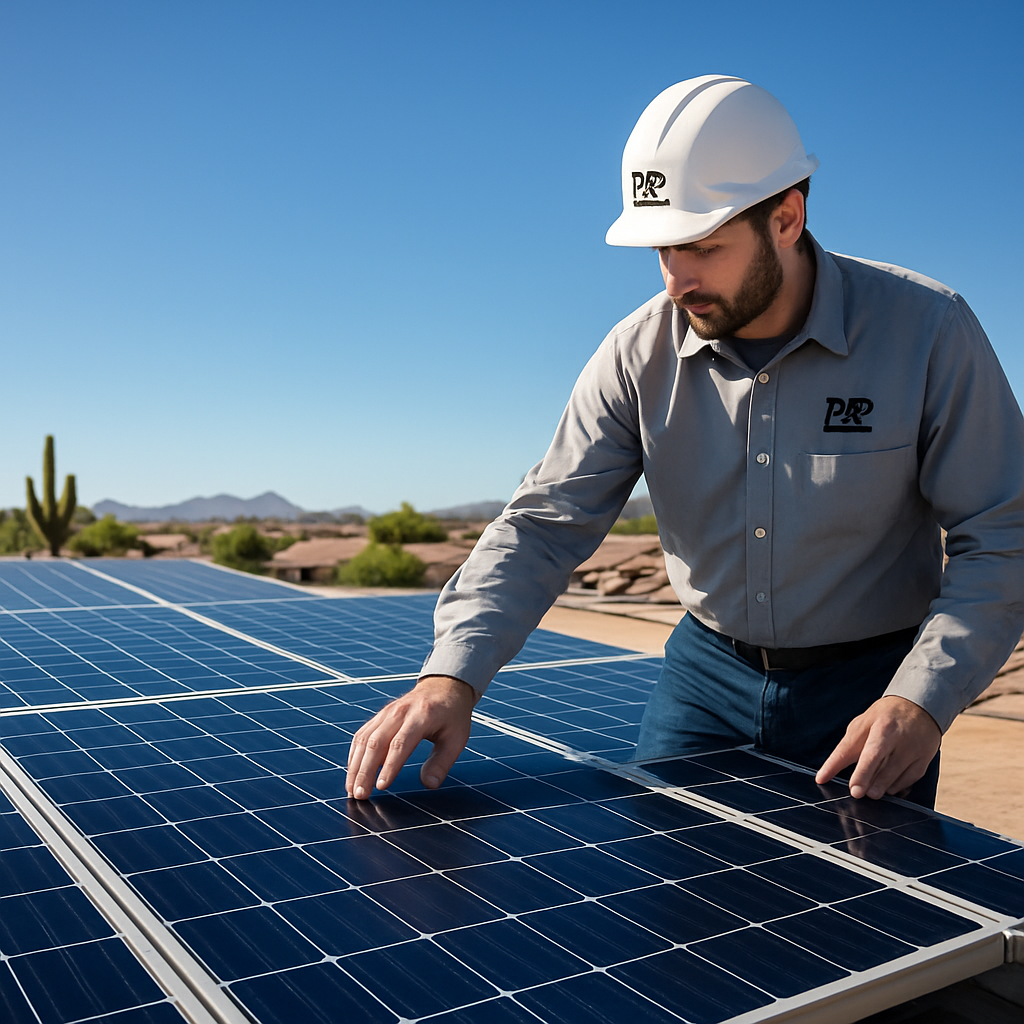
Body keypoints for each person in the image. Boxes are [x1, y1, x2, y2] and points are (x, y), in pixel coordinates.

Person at [346, 75, 1024, 808]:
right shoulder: (636, 354)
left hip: (872, 688)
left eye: (701, 246)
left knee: (862, 885)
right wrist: (450, 674)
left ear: (786, 218)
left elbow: (1001, 533)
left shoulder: (928, 332)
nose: (676, 280)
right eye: (663, 249)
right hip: (704, 679)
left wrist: (922, 699)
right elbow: (544, 525)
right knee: (668, 879)